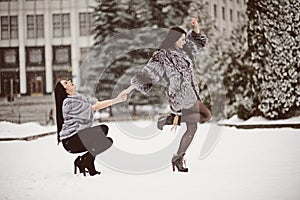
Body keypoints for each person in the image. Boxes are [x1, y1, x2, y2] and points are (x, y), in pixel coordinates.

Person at [126, 18, 211, 172]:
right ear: (174, 39)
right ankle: (170, 121)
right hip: (180, 96)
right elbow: (148, 73)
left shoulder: (185, 52)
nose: (184, 42)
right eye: (182, 39)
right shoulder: (162, 55)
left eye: (185, 39)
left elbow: (196, 44)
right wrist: (129, 89)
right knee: (205, 115)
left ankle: (177, 156)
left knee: (193, 129)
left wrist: (196, 27)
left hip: (192, 93)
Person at [54, 80, 127, 176]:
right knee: (103, 129)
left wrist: (118, 99)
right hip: (71, 141)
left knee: (107, 141)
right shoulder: (69, 103)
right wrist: (116, 100)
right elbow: (95, 107)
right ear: (65, 90)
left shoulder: (79, 98)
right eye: (66, 83)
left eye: (67, 80)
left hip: (77, 138)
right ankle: (87, 161)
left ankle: (84, 160)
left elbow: (97, 103)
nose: (69, 81)